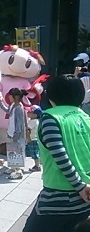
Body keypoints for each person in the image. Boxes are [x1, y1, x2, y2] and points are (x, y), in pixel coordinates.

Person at [23, 74, 90, 232]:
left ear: (51, 96)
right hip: (87, 197)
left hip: (59, 197)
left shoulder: (50, 118)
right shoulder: (86, 118)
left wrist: (79, 187)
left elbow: (60, 156)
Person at [0, 88, 28, 180]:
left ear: (16, 96)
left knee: (18, 152)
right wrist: (0, 102)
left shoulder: (19, 108)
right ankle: (13, 168)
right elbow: (7, 110)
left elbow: (19, 123)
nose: (9, 97)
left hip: (16, 135)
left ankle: (18, 171)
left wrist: (16, 134)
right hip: (11, 132)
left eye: (11, 95)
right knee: (11, 151)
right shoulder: (13, 105)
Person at [26, 105, 42, 172]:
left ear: (35, 115)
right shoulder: (37, 121)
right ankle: (38, 165)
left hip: (33, 139)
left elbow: (28, 131)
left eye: (30, 112)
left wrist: (28, 138)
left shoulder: (32, 122)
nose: (27, 112)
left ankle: (37, 166)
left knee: (35, 153)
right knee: (36, 152)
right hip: (36, 139)